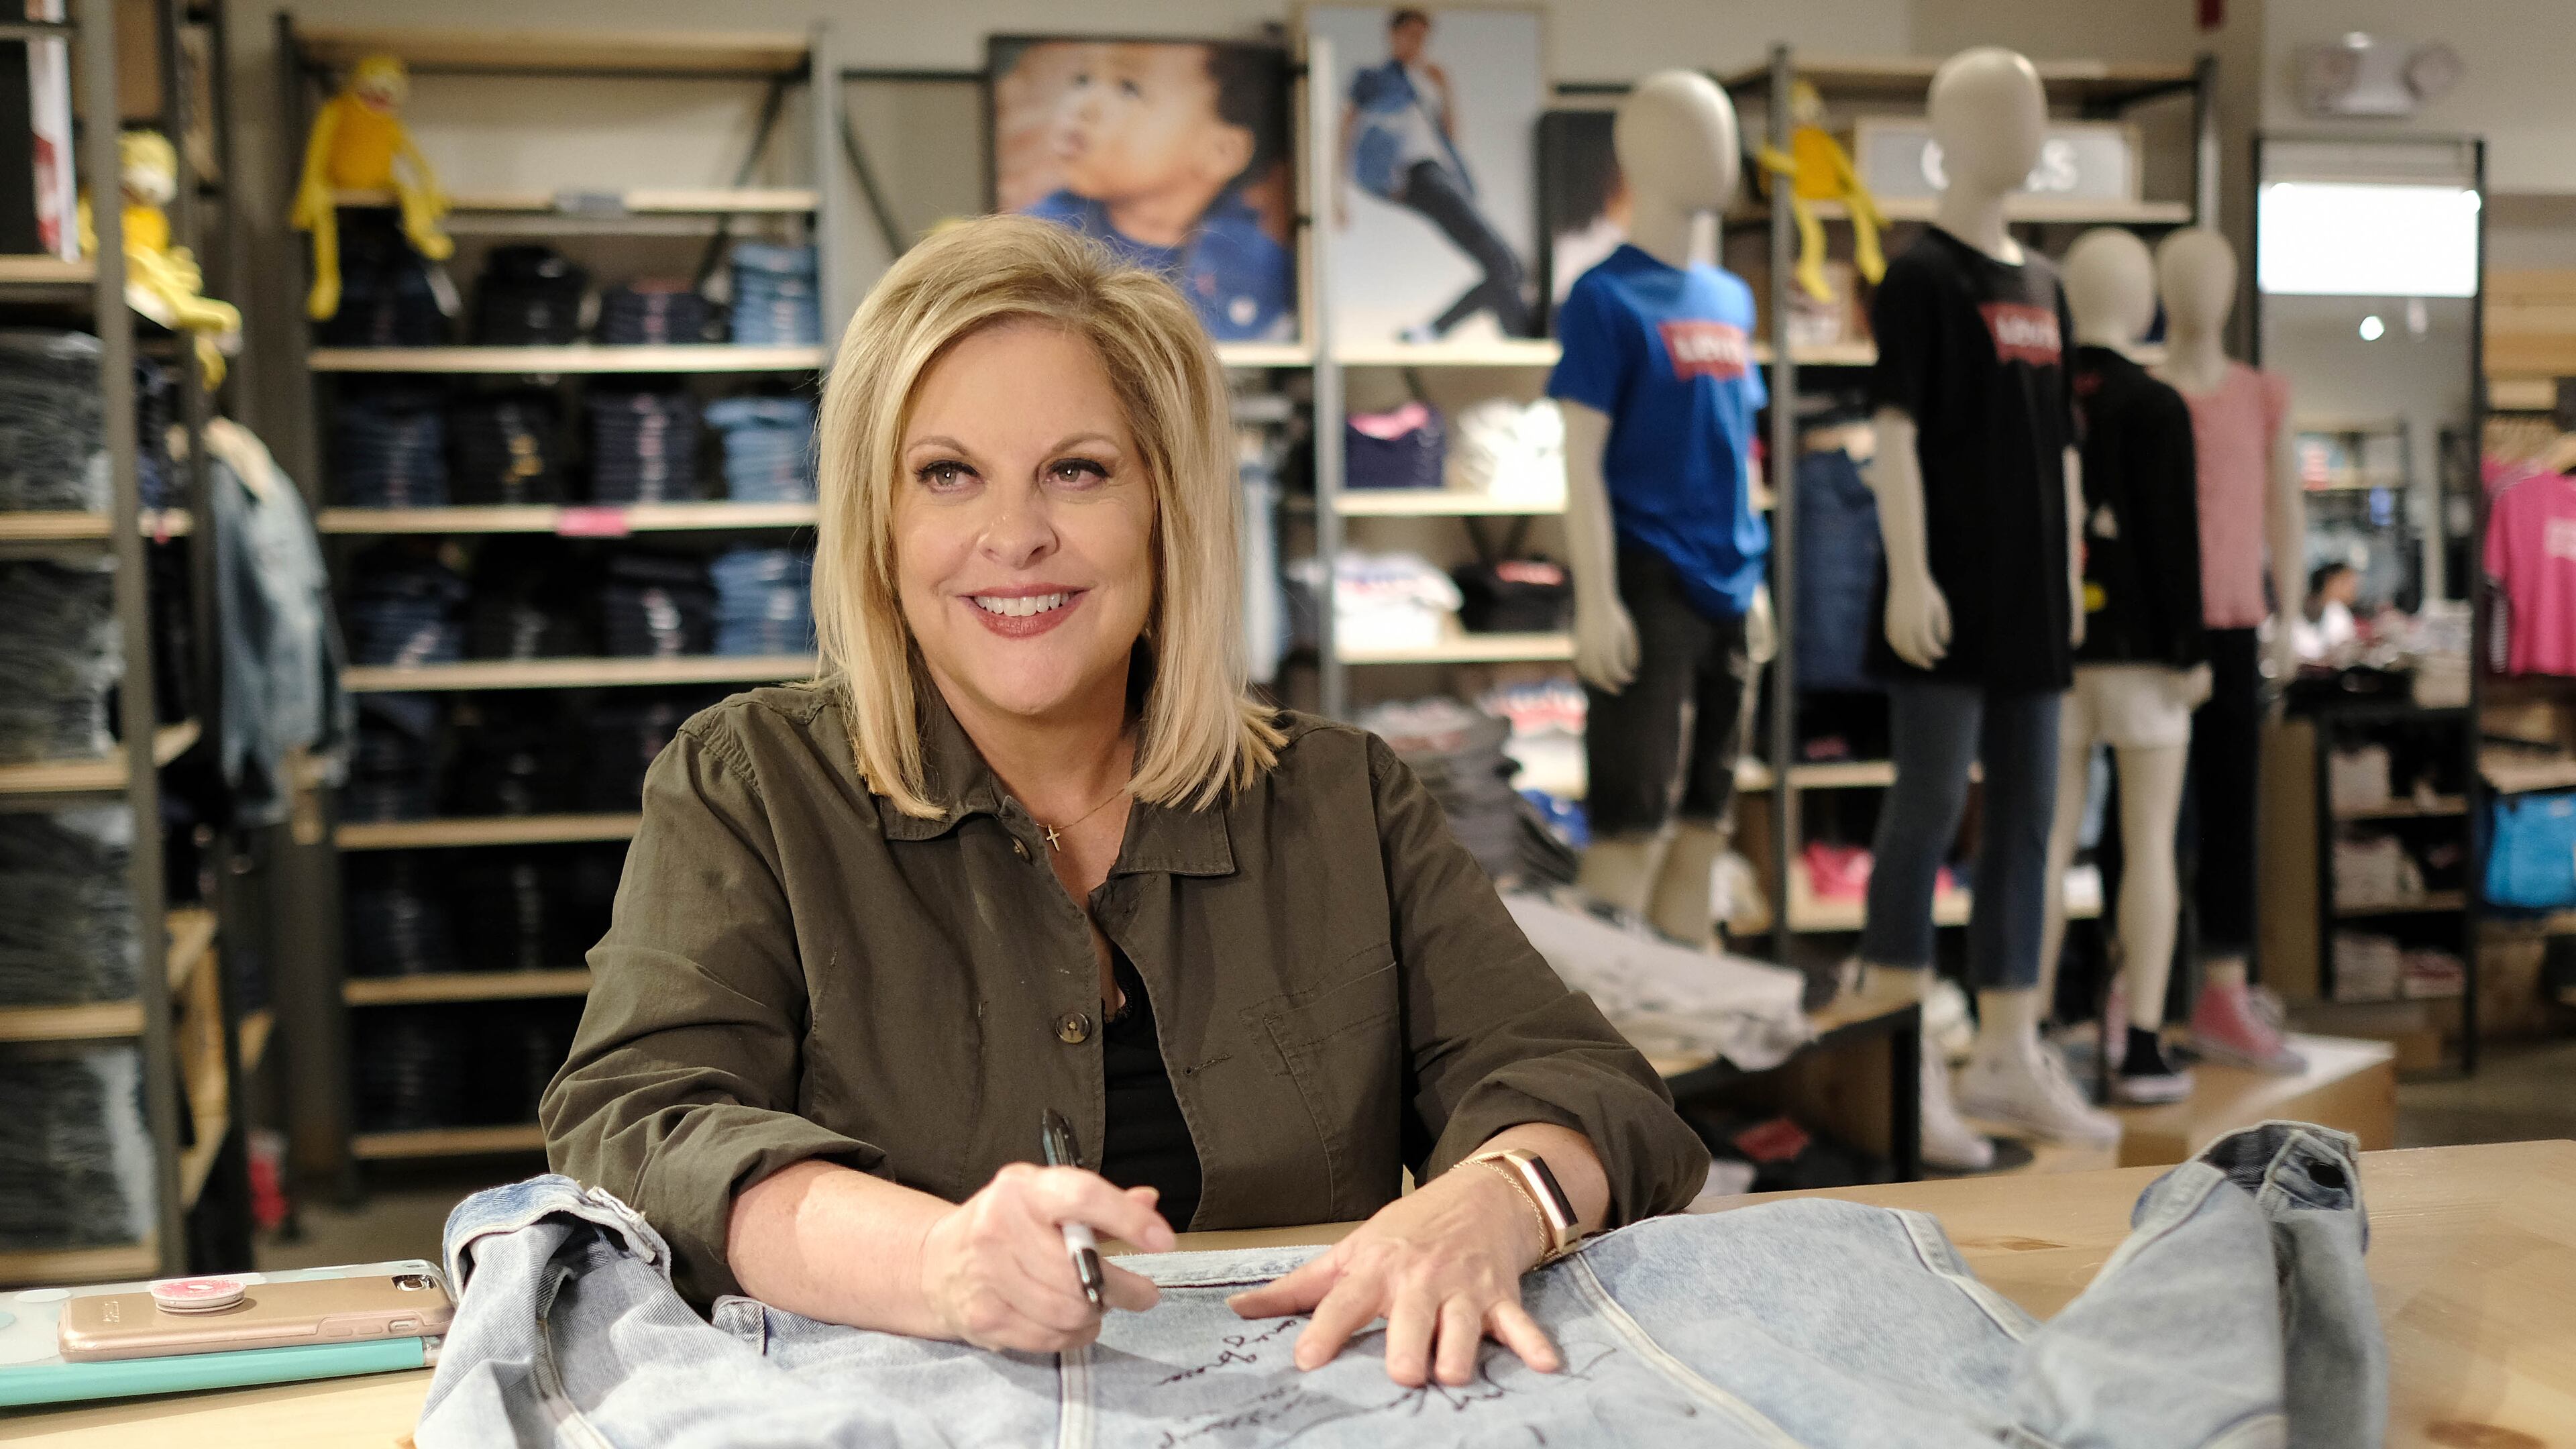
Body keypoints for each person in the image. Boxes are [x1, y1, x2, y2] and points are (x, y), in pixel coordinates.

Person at [540, 215, 1707, 1391]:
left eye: (1078, 470)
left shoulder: (1341, 798)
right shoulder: (749, 786)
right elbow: (639, 1125)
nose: (1014, 538)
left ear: (1167, 504)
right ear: (881, 524)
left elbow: (1596, 1091)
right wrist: (938, 1262)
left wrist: (1495, 1201)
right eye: (947, 474)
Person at [1018, 42, 1293, 342]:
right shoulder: (1038, 241)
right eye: (1083, 80)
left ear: (1222, 151)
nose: (1083, 106)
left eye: (1129, 88)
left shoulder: (1260, 265)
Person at [1341, 8, 1533, 339]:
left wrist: (1445, 91)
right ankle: (1452, 332)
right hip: (1417, 174)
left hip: (1442, 172)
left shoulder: (1427, 81)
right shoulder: (1375, 79)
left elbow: (1451, 139)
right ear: (1394, 35)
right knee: (1507, 264)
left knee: (1508, 268)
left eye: (1423, 38)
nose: (1417, 44)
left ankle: (1435, 332)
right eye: (1411, 36)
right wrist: (1339, 194)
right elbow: (1347, 132)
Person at [2294, 560, 2360, 661]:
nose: (2353, 591)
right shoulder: (2293, 610)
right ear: (2330, 580)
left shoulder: (2339, 613)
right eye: (2348, 583)